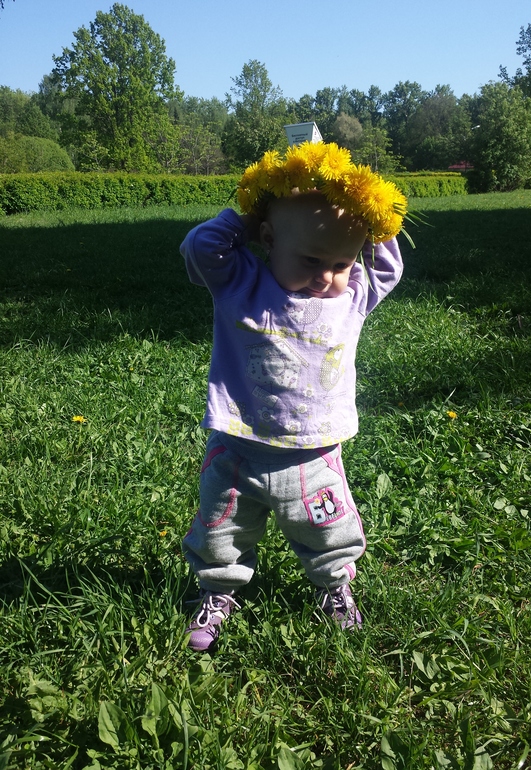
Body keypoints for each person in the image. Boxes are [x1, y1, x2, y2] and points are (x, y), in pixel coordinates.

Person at [180, 141, 406, 652]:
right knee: (221, 531)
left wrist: (375, 213)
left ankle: (334, 587)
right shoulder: (240, 285)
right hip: (238, 446)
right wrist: (251, 214)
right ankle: (217, 593)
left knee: (329, 531)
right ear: (267, 238)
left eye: (341, 263)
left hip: (315, 454)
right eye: (310, 259)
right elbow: (201, 247)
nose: (326, 278)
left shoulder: (353, 297)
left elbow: (387, 266)